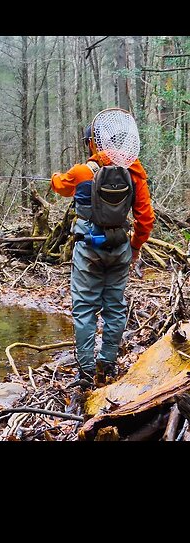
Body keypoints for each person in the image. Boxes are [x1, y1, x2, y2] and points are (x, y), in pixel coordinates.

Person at [51, 123, 155, 389]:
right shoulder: (134, 172)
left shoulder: (82, 172)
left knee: (85, 308)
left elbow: (60, 187)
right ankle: (106, 363)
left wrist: (54, 176)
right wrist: (135, 247)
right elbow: (145, 219)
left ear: (91, 142)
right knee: (115, 306)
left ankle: (85, 371)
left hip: (88, 250)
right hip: (120, 248)